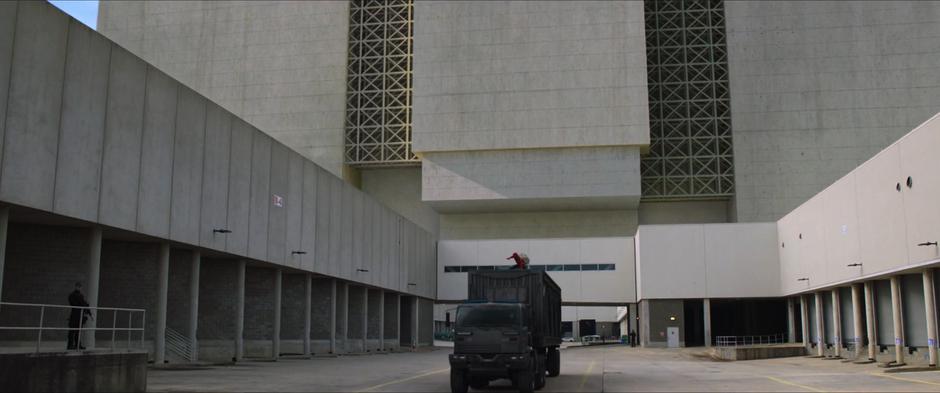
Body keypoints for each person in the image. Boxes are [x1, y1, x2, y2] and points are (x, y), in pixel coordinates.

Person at [67, 282, 90, 350]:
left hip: (77, 314)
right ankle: (71, 345)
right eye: (78, 286)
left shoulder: (76, 295)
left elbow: (83, 304)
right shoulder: (75, 295)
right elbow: (81, 304)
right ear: (76, 287)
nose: (79, 288)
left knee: (77, 331)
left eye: (80, 287)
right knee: (73, 331)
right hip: (76, 314)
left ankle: (76, 345)